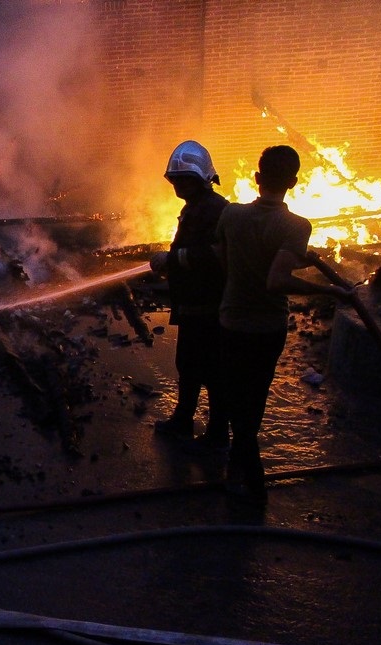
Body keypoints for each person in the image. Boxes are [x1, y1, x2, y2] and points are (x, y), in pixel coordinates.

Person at [215, 145, 353, 506]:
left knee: (236, 397)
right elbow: (276, 280)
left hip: (231, 320)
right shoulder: (296, 226)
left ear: (257, 178)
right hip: (266, 328)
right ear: (294, 182)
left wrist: (239, 284)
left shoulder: (230, 215)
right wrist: (331, 290)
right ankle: (252, 479)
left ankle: (235, 466)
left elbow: (223, 259)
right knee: (254, 398)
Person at [150, 140, 230, 451]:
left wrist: (171, 260)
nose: (177, 185)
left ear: (200, 178)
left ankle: (217, 434)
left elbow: (212, 256)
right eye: (175, 179)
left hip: (207, 307)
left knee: (211, 371)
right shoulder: (198, 207)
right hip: (195, 303)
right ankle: (183, 420)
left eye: (184, 179)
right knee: (189, 365)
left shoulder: (213, 210)